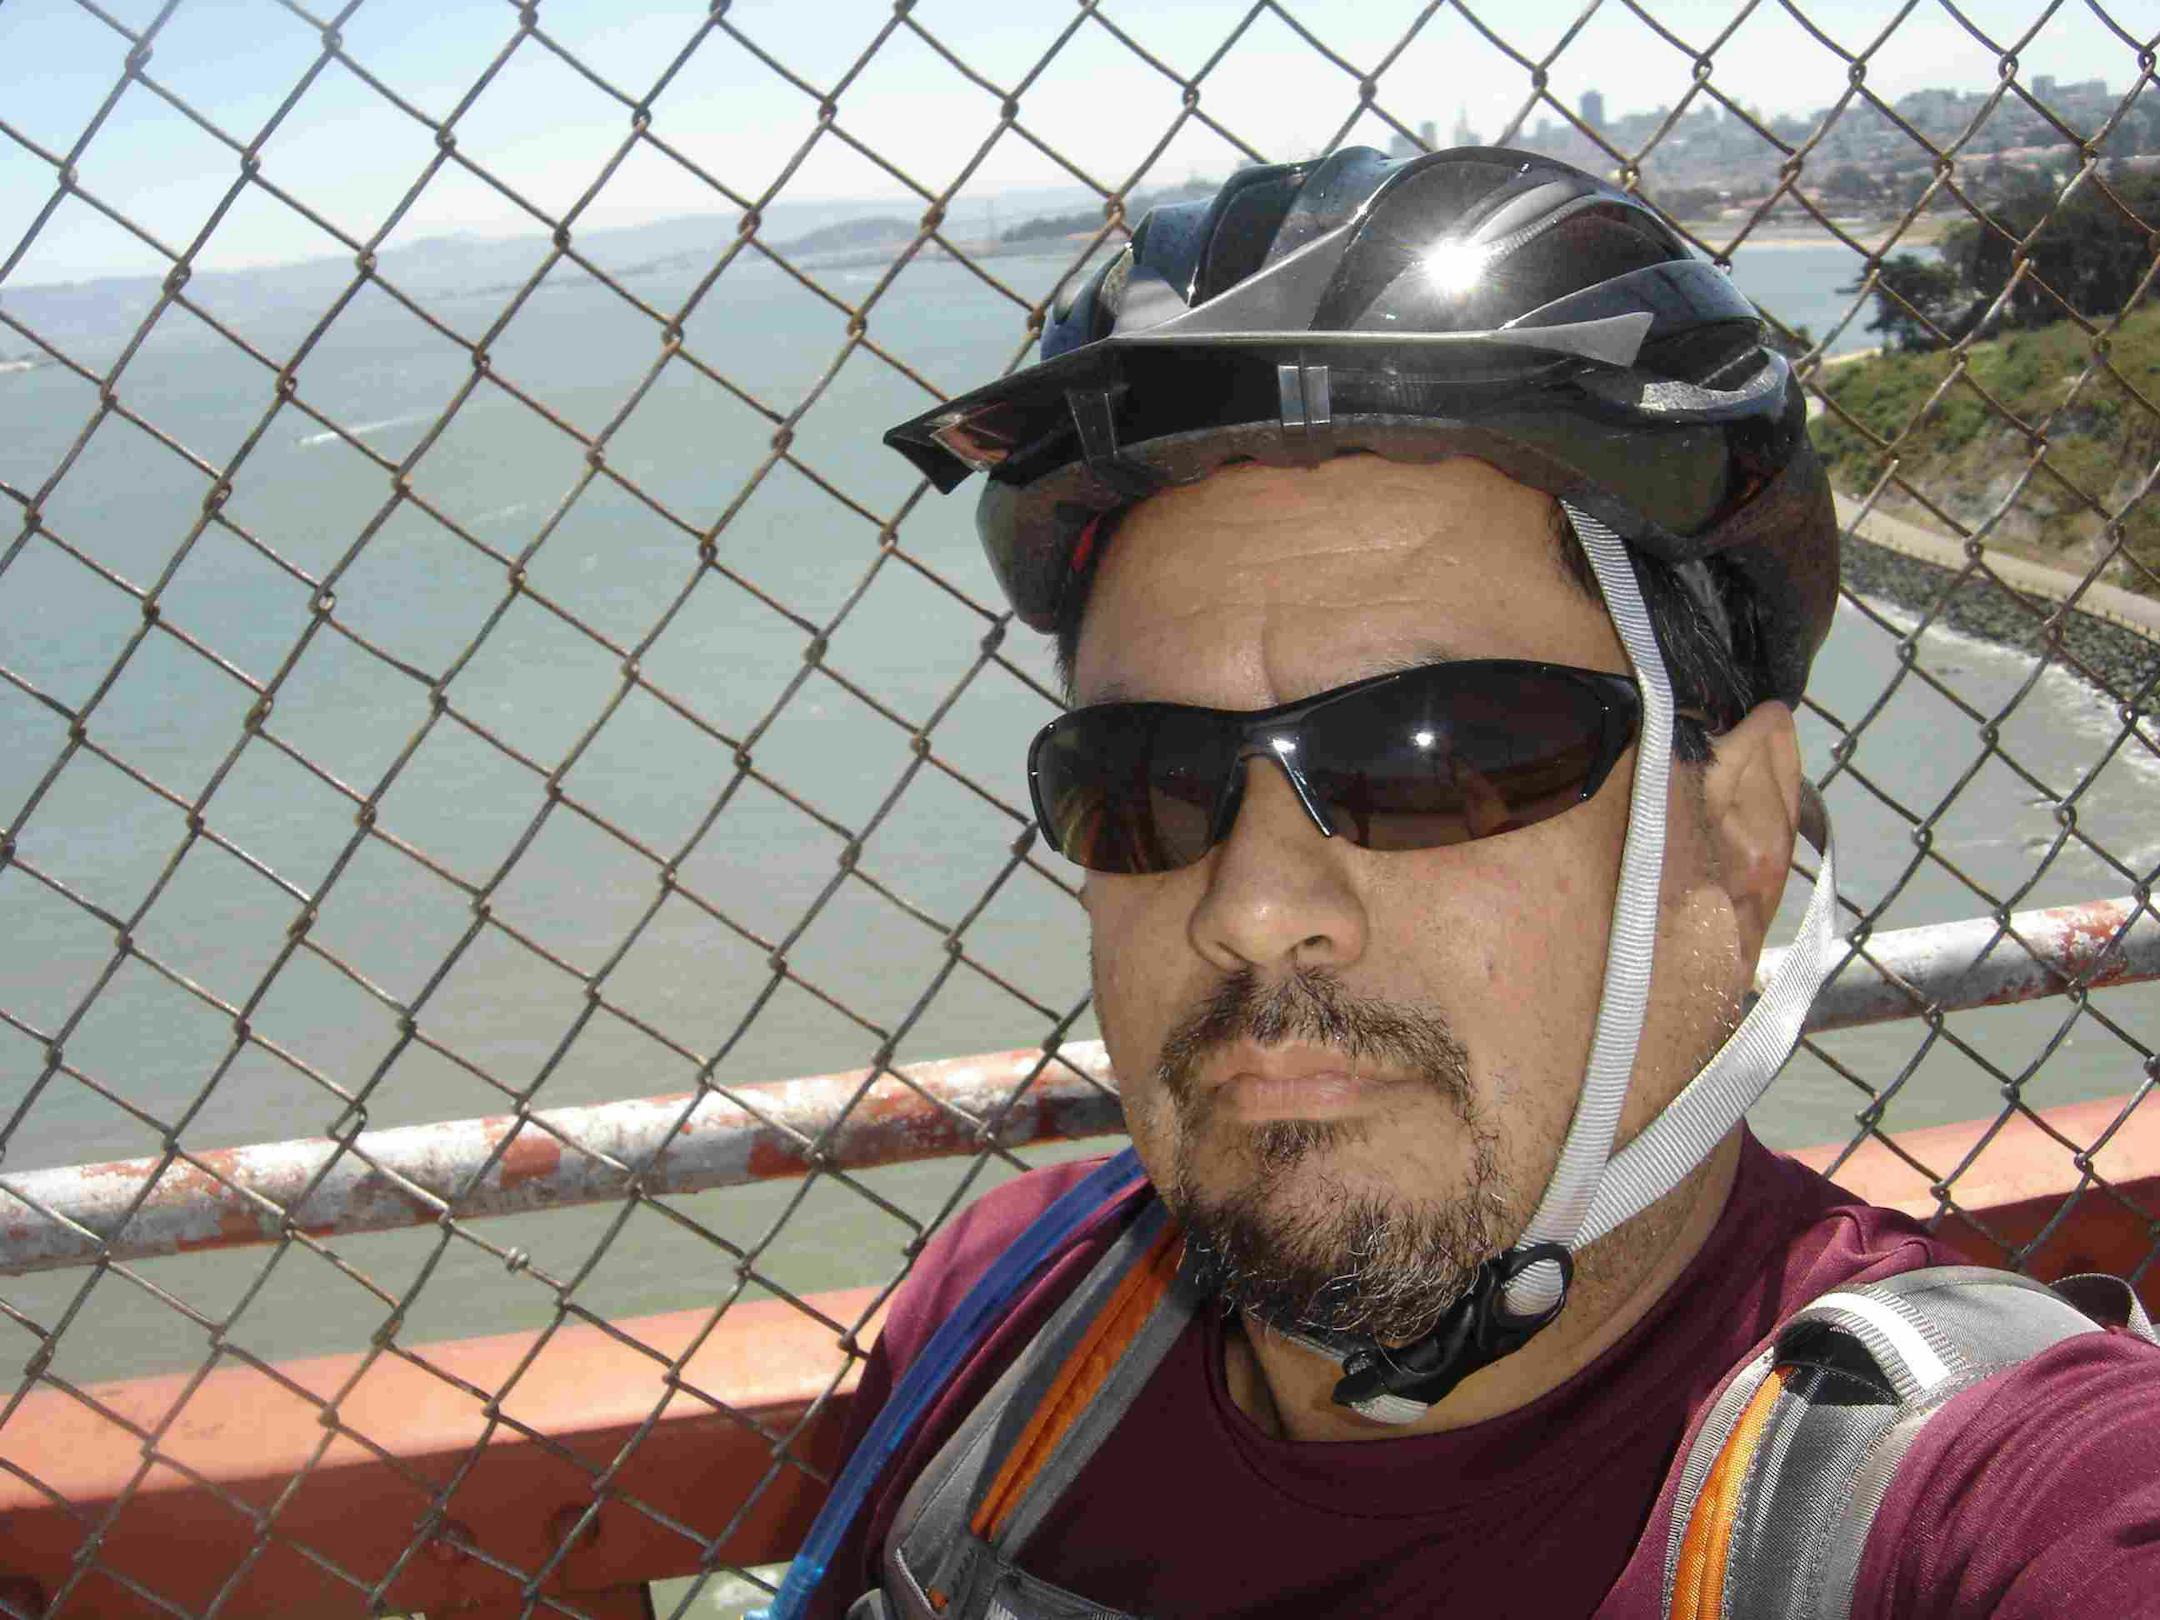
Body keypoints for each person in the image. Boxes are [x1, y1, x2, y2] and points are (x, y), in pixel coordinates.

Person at [782, 148, 2160, 1619]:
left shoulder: (1983, 1500)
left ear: (1747, 835)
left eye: (1432, 757)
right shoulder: (1000, 1314)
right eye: (1148, 780)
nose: (1249, 908)